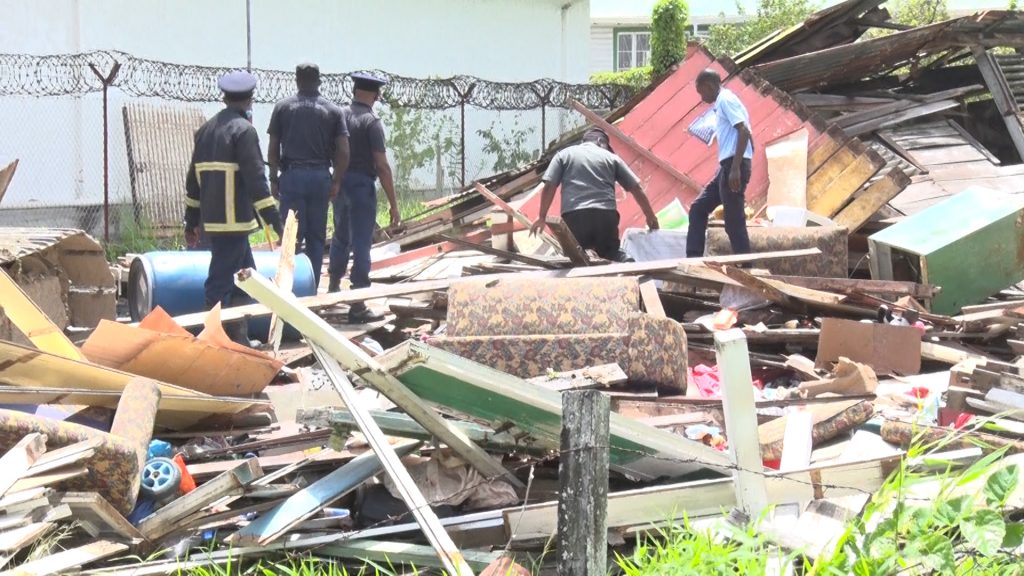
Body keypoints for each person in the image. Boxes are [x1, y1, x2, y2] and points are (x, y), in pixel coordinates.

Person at [184, 70, 283, 341]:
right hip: (235, 222)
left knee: (245, 280)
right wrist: (275, 221)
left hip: (212, 221)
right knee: (218, 284)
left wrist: (190, 221)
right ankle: (212, 341)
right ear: (250, 100)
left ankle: (238, 337)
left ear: (224, 97)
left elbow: (192, 181)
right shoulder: (245, 132)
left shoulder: (205, 131)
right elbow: (256, 181)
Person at [267, 62, 350, 289]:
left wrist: (273, 178)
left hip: (292, 177)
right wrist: (337, 180)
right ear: (319, 81)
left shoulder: (283, 108)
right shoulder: (333, 111)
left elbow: (273, 147)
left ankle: (289, 288)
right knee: (316, 238)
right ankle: (311, 289)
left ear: (297, 80)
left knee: (291, 237)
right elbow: (343, 150)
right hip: (319, 177)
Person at [327, 72, 401, 323]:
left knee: (340, 236)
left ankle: (333, 287)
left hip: (340, 182)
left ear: (354, 91)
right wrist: (394, 204)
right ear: (375, 95)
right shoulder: (372, 123)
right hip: (361, 186)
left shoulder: (340, 117)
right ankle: (358, 304)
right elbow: (381, 165)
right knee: (361, 243)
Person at [529, 127, 659, 261]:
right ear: (600, 141)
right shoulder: (612, 158)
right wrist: (651, 217)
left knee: (575, 258)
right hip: (605, 216)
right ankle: (626, 263)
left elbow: (550, 185)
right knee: (611, 253)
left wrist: (542, 217)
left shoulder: (563, 155)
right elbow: (636, 188)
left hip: (574, 217)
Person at [686, 69, 753, 259]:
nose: (702, 97)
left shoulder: (725, 99)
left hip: (735, 165)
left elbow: (744, 131)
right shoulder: (722, 102)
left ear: (708, 86)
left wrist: (734, 169)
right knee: (698, 209)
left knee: (734, 223)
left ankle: (747, 267)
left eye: (701, 92)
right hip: (726, 166)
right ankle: (693, 260)